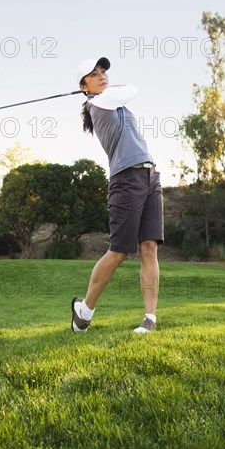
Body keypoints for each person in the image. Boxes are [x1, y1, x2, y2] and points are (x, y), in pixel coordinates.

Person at [71, 56, 164, 334]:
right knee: (120, 250)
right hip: (125, 180)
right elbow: (132, 88)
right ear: (84, 85)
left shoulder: (112, 100)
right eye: (94, 74)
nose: (102, 75)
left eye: (103, 72)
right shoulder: (98, 102)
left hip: (149, 175)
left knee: (150, 247)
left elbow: (125, 92)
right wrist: (102, 90)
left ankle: (150, 319)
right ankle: (84, 312)